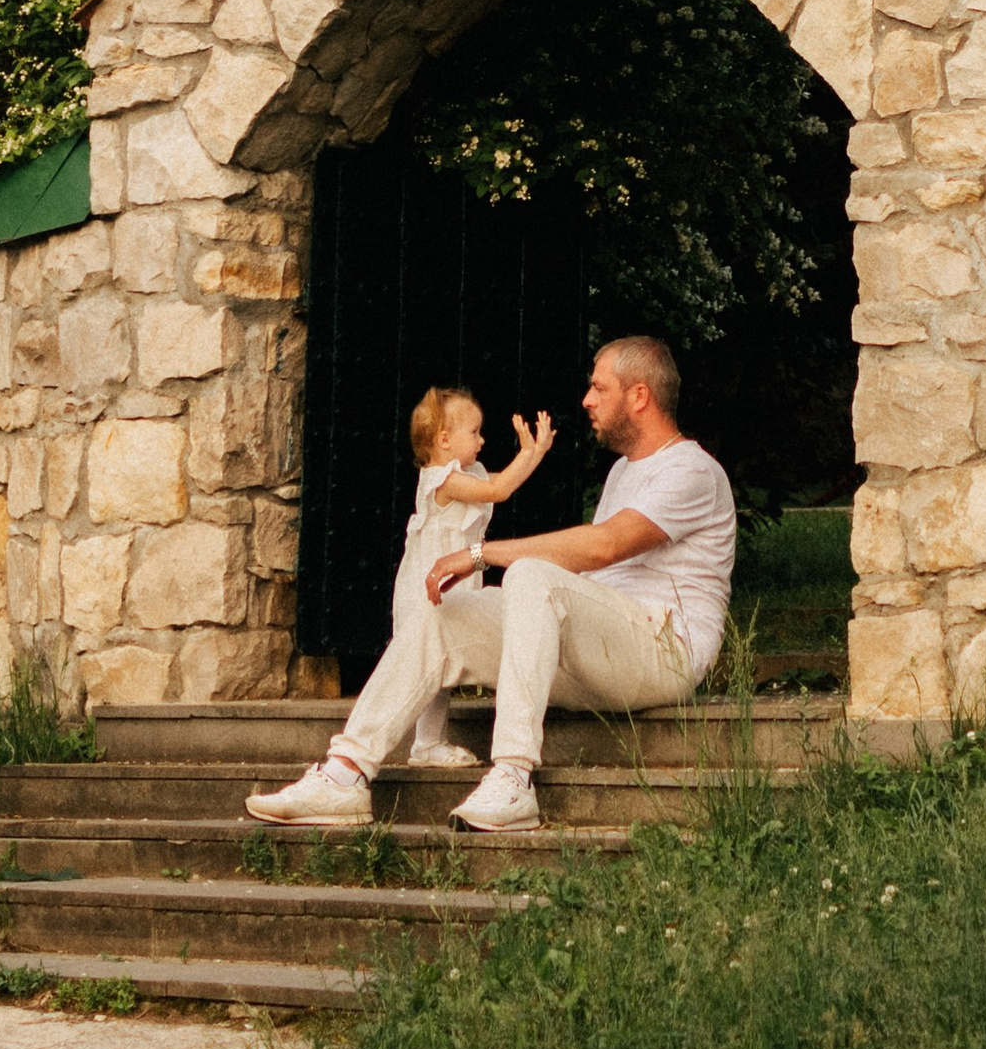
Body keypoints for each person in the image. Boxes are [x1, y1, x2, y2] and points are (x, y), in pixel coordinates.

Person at [247, 335, 736, 836]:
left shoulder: (693, 470)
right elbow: (588, 576)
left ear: (639, 395)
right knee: (447, 614)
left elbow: (603, 547)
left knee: (529, 573)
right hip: (603, 652)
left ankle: (513, 776)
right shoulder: (621, 474)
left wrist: (480, 554)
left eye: (598, 387)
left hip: (663, 654)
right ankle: (344, 774)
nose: (586, 399)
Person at [387, 386, 556, 771]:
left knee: (442, 665)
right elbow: (498, 490)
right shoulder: (440, 479)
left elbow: (501, 484)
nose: (482, 440)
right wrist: (527, 452)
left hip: (455, 581)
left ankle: (429, 741)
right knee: (428, 663)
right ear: (444, 440)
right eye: (474, 432)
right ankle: (425, 743)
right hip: (429, 583)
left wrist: (535, 453)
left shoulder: (467, 474)